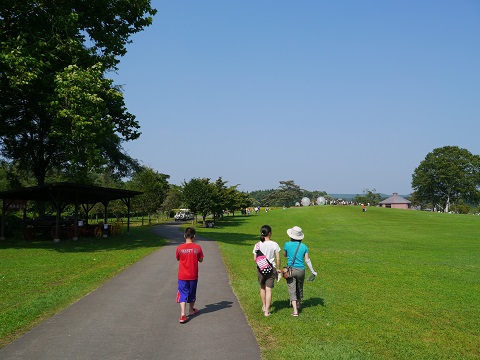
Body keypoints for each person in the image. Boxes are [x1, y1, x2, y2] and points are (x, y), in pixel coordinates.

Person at [283, 226, 317, 317]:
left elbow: (284, 255)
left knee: (292, 289)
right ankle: (298, 303)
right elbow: (307, 260)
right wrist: (313, 271)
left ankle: (295, 311)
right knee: (300, 287)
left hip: (291, 270)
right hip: (301, 270)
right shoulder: (304, 246)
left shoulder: (287, 244)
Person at [176, 227, 204, 323]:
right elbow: (201, 259)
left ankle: (183, 314)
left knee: (183, 293)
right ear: (194, 236)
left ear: (184, 236)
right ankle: (191, 310)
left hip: (182, 276)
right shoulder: (197, 247)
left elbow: (178, 258)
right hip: (193, 275)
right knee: (192, 293)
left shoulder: (179, 248)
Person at [253, 225, 281, 317]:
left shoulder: (257, 245)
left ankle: (264, 306)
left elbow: (255, 258)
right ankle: (267, 311)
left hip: (260, 269)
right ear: (269, 233)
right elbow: (278, 259)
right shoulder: (274, 244)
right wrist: (278, 269)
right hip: (271, 268)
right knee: (269, 289)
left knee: (262, 287)